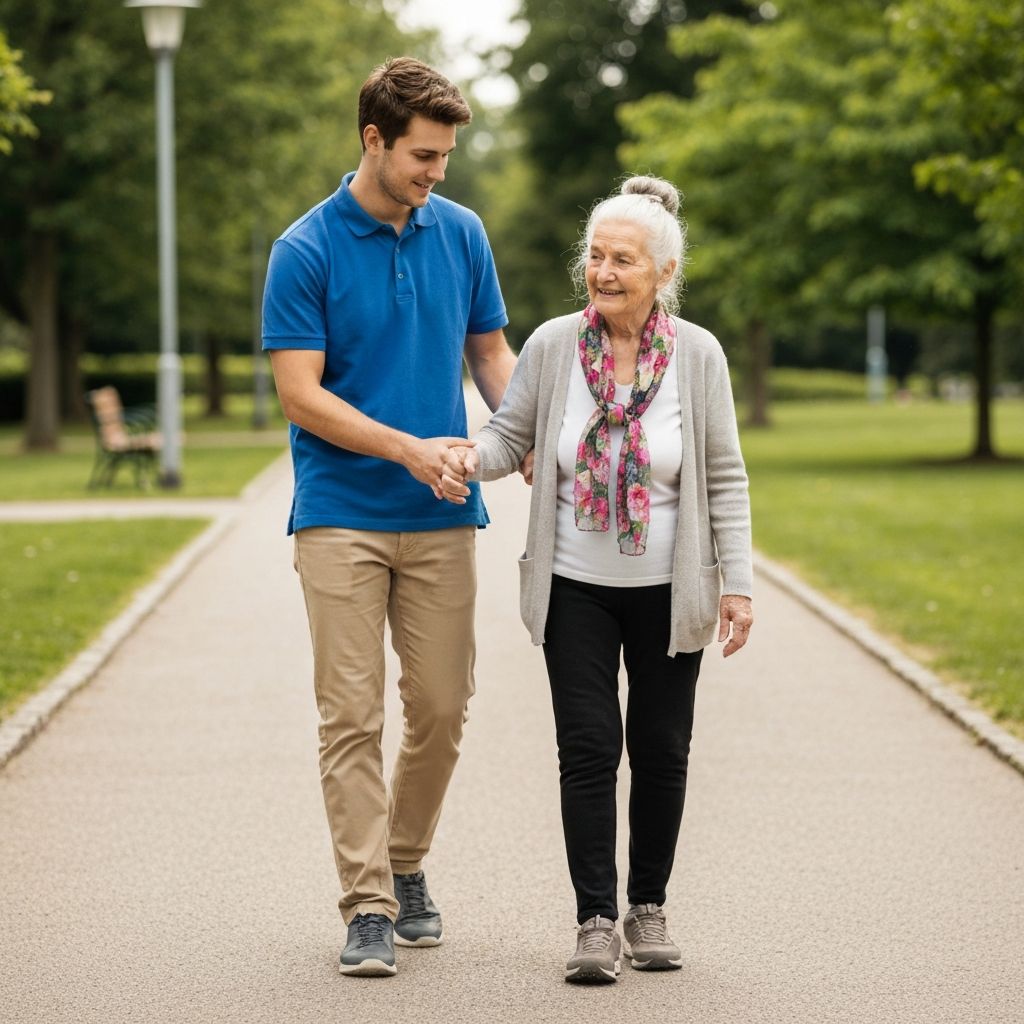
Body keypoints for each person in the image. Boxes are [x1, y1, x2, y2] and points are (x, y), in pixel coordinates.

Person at [441, 176, 753, 984]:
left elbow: (724, 476)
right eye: (595, 256)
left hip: (669, 589)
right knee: (587, 750)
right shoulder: (550, 347)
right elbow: (512, 438)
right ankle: (594, 922)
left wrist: (738, 583)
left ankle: (647, 907)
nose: (604, 272)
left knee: (660, 751)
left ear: (662, 273)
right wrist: (463, 460)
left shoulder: (699, 356)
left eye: (623, 260)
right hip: (575, 582)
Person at [262, 57, 518, 978]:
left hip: (446, 513)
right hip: (340, 515)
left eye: (446, 156)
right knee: (351, 715)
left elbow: (490, 354)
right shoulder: (305, 249)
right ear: (372, 139)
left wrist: (526, 432)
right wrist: (411, 447)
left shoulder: (461, 232)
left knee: (443, 708)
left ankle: (406, 861)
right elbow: (302, 397)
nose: (436, 172)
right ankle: (368, 901)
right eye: (422, 155)